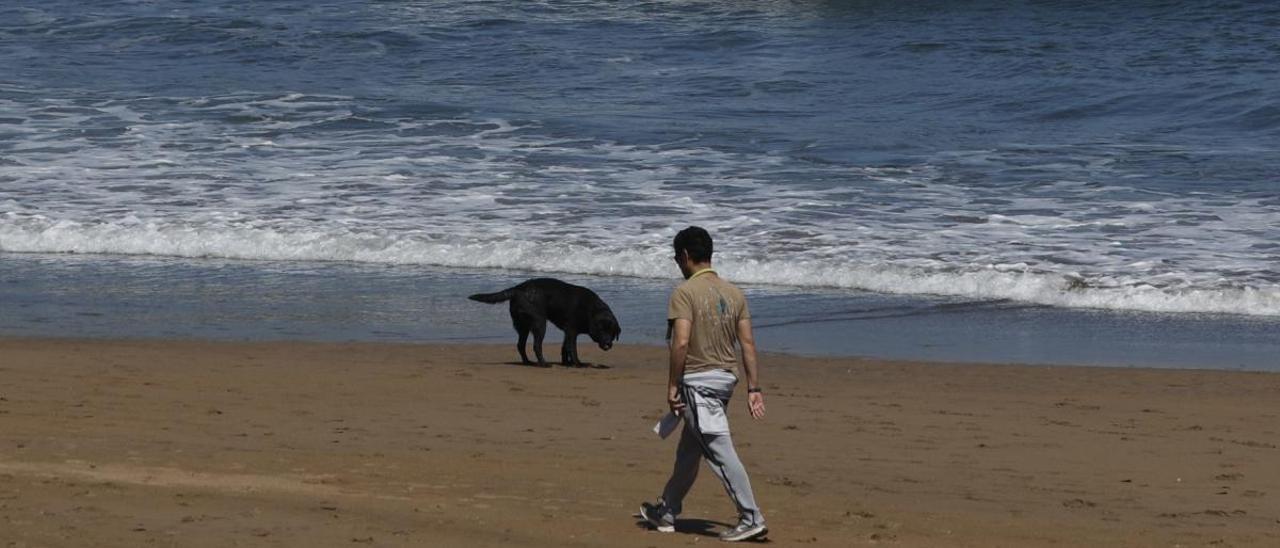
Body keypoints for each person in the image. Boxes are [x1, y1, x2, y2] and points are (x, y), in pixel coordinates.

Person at [640, 226, 768, 542]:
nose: (677, 264)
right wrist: (754, 388)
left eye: (676, 258)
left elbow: (680, 343)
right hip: (726, 380)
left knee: (718, 450)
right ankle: (666, 511)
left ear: (685, 256)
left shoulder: (684, 293)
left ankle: (751, 516)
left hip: (698, 383)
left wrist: (672, 386)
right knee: (689, 450)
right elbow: (748, 343)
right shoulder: (734, 292)